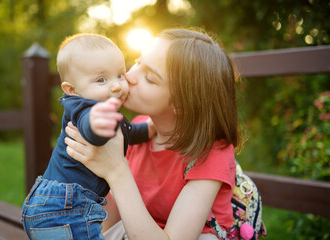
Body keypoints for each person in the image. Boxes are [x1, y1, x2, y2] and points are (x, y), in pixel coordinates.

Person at [64, 28, 241, 240]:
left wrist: (116, 170)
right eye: (138, 61)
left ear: (182, 104)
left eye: (149, 77)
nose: (128, 76)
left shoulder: (211, 154)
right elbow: (111, 213)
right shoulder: (137, 131)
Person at [21, 33, 154, 240]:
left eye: (120, 74)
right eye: (101, 80)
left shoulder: (105, 111)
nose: (116, 85)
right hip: (66, 207)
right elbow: (88, 128)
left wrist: (149, 129)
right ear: (72, 89)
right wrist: (97, 124)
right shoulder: (84, 108)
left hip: (52, 205)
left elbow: (128, 133)